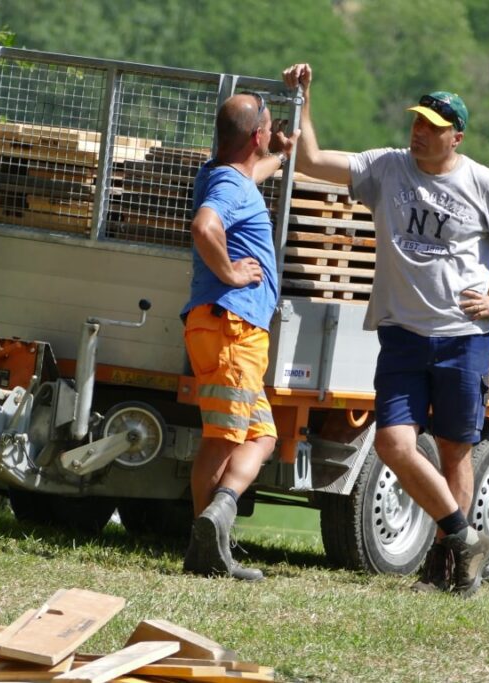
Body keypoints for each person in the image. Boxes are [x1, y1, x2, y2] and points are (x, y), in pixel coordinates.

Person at [281, 63, 489, 596]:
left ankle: (446, 566)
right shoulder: (386, 168)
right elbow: (311, 160)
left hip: (463, 338)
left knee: (454, 451)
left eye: (432, 125)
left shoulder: (482, 183)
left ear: (457, 136)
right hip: (402, 334)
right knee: (393, 443)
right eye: (417, 122)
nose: (419, 131)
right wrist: (304, 97)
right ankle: (464, 536)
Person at [180, 92, 299, 581]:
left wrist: (282, 154)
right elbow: (204, 225)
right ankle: (205, 550)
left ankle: (218, 518)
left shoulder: (227, 173)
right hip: (232, 326)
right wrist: (229, 271)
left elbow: (253, 173)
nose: (270, 134)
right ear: (256, 135)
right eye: (268, 129)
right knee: (223, 440)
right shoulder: (229, 186)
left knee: (262, 436)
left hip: (229, 329)